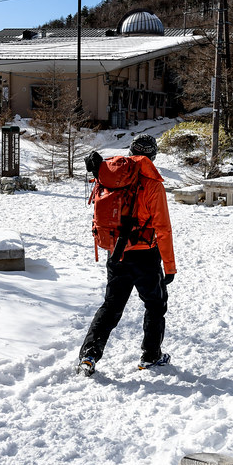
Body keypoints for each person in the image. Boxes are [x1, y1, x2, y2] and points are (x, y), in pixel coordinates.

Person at [77, 134, 176, 376]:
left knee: (111, 306)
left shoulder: (111, 178)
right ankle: (151, 355)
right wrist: (170, 267)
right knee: (155, 304)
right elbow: (163, 229)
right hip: (145, 255)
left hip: (116, 253)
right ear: (152, 155)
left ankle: (89, 355)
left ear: (131, 151)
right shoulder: (152, 184)